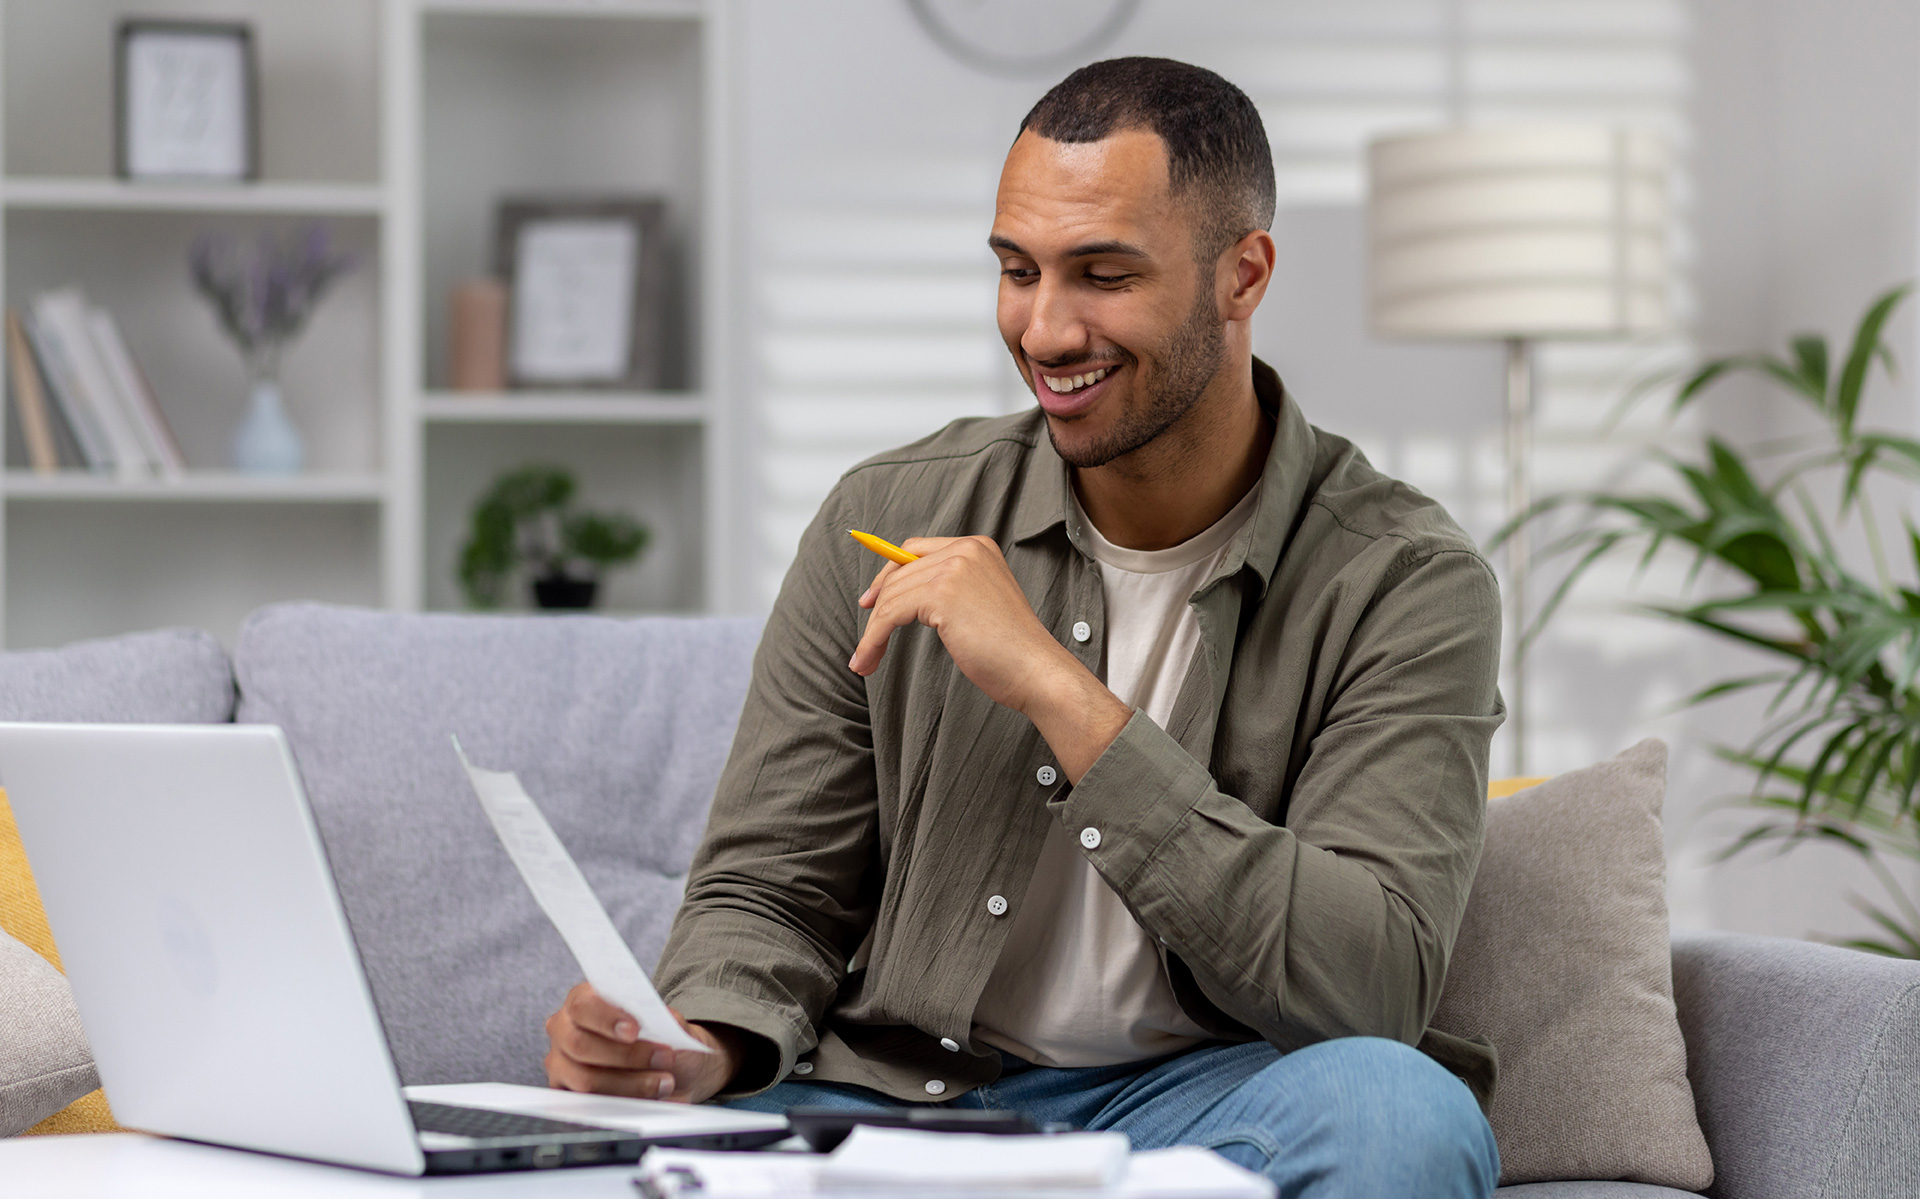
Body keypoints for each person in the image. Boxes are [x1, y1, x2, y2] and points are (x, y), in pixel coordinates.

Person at [544, 57, 1504, 1197]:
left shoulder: (1404, 579)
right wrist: (697, 1043)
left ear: (1241, 276)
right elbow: (771, 890)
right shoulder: (886, 516)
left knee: (1403, 1117)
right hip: (894, 1095)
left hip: (1203, 1102)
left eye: (1102, 274)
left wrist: (1060, 689)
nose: (1045, 328)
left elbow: (1371, 982)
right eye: (1016, 270)